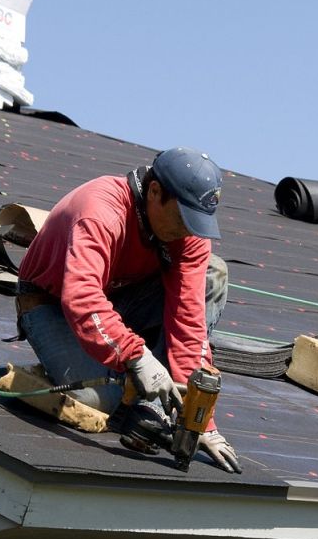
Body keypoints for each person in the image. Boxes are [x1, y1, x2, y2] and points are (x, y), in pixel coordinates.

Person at [14, 147, 241, 473]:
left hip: (118, 301)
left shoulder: (187, 228)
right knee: (102, 401)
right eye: (182, 219)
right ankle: (100, 382)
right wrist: (137, 357)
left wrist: (200, 419)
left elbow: (189, 323)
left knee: (213, 273)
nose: (188, 231)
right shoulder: (100, 211)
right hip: (52, 307)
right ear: (154, 192)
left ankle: (153, 401)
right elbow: (81, 299)